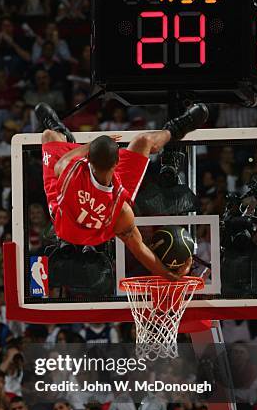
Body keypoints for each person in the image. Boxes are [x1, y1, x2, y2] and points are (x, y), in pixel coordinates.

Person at [35, 102, 208, 279]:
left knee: (49, 135)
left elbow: (62, 163)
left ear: (88, 160)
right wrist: (172, 276)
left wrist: (88, 146)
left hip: (64, 220)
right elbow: (139, 249)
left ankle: (62, 132)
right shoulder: (121, 209)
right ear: (118, 162)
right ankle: (174, 130)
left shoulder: (69, 172)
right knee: (145, 141)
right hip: (94, 230)